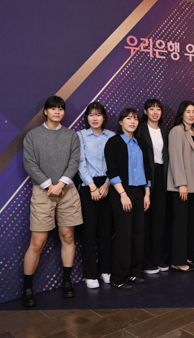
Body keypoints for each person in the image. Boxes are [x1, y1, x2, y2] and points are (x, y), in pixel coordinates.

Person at [21, 95, 81, 306]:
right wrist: (49, 185)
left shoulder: (71, 136)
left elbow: (74, 162)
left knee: (68, 236)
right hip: (42, 192)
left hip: (67, 191)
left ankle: (67, 282)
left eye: (60, 109)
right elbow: (29, 163)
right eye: (53, 108)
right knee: (37, 242)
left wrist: (61, 184)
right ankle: (27, 288)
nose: (57, 112)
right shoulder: (32, 136)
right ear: (45, 111)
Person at [104, 108, 151, 290]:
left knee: (138, 233)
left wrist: (147, 194)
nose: (132, 121)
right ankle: (118, 277)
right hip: (121, 192)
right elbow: (112, 171)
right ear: (120, 121)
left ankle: (134, 272)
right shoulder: (113, 143)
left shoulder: (141, 143)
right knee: (123, 234)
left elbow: (147, 169)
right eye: (128, 118)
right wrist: (123, 195)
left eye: (135, 119)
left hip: (139, 192)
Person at [77, 102, 115, 289]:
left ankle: (105, 270)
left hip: (108, 184)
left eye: (98, 114)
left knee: (106, 230)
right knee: (89, 232)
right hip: (88, 185)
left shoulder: (112, 136)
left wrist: (107, 184)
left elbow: (115, 163)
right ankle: (90, 274)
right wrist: (92, 186)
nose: (95, 118)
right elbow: (80, 163)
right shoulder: (80, 136)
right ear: (87, 117)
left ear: (104, 117)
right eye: (91, 115)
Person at [138, 99, 171, 275]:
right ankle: (146, 261)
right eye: (152, 109)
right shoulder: (140, 129)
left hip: (162, 176)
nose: (155, 112)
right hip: (145, 175)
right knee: (145, 220)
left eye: (158, 109)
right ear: (145, 111)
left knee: (160, 219)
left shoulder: (165, 131)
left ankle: (159, 258)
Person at [168, 100, 194, 272]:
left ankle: (185, 256)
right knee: (180, 224)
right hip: (181, 186)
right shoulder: (177, 131)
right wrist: (181, 184)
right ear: (181, 114)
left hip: (193, 186)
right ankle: (177, 261)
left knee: (189, 224)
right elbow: (175, 159)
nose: (191, 115)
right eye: (188, 111)